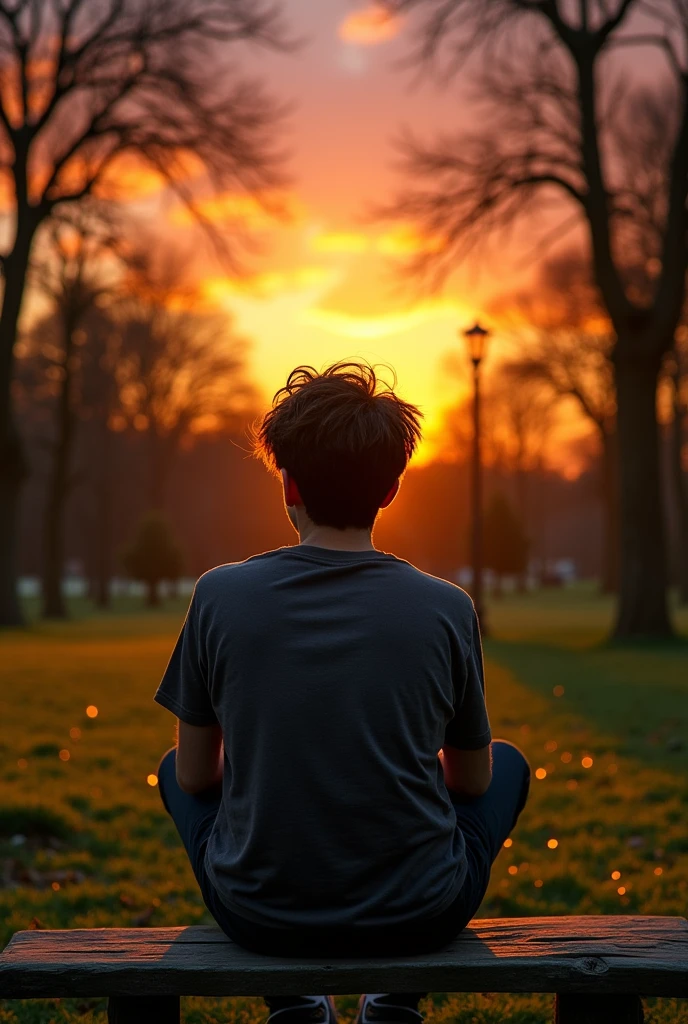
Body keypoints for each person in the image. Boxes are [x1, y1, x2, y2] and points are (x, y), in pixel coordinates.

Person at [154, 361, 530, 1024]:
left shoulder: (218, 595)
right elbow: (472, 782)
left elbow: (192, 773)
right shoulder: (446, 607)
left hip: (260, 915)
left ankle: (294, 1001)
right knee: (511, 767)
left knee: (169, 769)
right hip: (419, 913)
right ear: (390, 489)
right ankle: (394, 1000)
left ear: (288, 484)